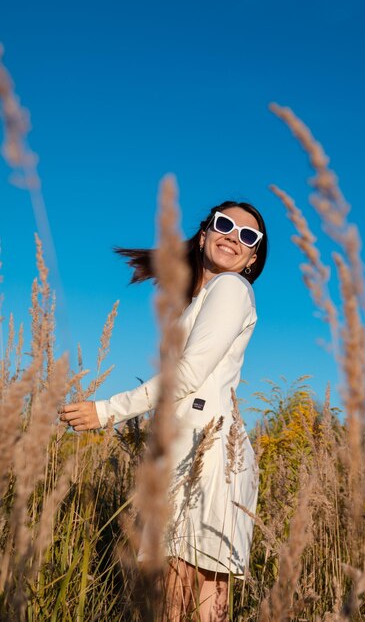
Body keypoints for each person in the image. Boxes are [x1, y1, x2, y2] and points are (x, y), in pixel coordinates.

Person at [60, 201, 268, 621]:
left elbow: (188, 375)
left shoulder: (230, 289)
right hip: (202, 449)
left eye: (248, 236)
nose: (234, 236)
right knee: (207, 603)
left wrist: (107, 410)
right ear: (205, 233)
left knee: (175, 599)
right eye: (225, 225)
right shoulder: (204, 299)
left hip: (206, 456)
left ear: (252, 258)